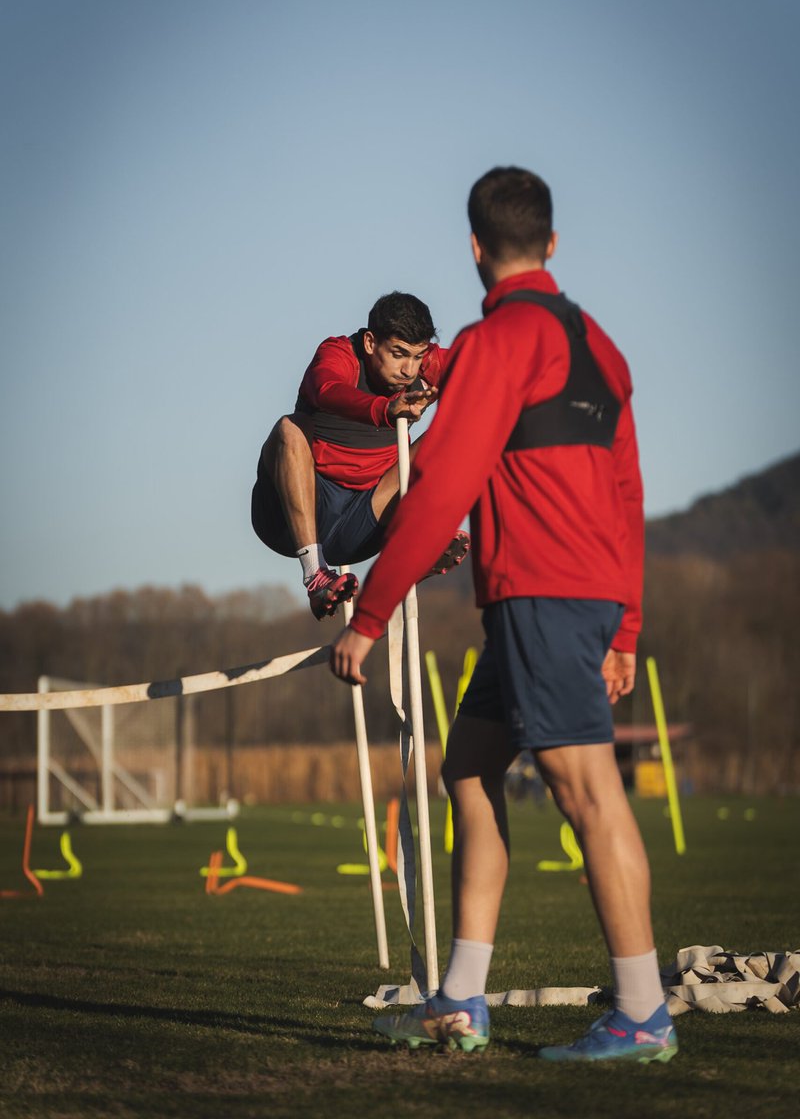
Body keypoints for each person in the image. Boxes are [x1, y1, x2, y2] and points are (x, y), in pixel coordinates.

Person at [330, 168, 677, 1064]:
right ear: (552, 243)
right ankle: (459, 1001)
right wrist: (628, 626)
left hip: (543, 595)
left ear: (476, 249)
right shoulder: (601, 345)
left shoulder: (499, 340)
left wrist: (371, 614)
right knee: (472, 771)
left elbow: (444, 481)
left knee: (588, 795)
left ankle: (642, 1012)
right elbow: (629, 494)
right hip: (578, 597)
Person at [251, 291, 469, 619]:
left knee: (459, 429)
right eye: (398, 354)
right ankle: (316, 575)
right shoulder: (339, 354)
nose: (408, 370)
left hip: (366, 520)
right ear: (370, 342)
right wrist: (385, 409)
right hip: (292, 516)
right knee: (288, 429)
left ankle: (416, 548)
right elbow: (326, 390)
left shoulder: (425, 364)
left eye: (417, 356)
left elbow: (487, 373)